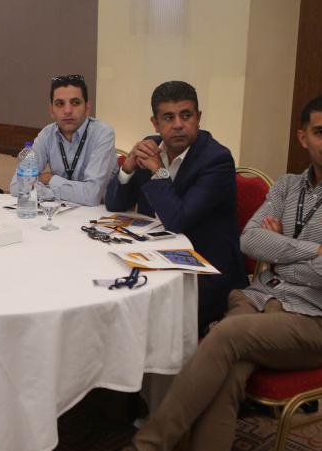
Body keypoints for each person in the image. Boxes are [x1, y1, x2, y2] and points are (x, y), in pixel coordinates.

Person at [76, 94, 322, 451]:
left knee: (225, 337)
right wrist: (312, 253)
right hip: (254, 302)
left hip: (312, 320)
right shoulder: (286, 187)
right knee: (228, 373)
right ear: (303, 137)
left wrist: (282, 257)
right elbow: (250, 241)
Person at [105, 81, 247, 334]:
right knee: (107, 292)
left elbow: (178, 220)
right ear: (155, 123)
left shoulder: (216, 160)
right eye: (169, 118)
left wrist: (158, 171)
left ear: (198, 118)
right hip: (153, 254)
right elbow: (115, 205)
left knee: (135, 314)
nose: (178, 124)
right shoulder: (151, 146)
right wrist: (127, 168)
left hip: (205, 271)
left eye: (186, 115)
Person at [8, 74, 116, 206]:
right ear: (51, 110)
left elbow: (91, 196)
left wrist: (50, 180)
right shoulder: (46, 135)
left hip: (97, 214)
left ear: (87, 108)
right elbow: (17, 185)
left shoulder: (103, 133)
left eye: (75, 103)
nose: (68, 111)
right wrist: (53, 192)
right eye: (60, 104)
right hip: (61, 210)